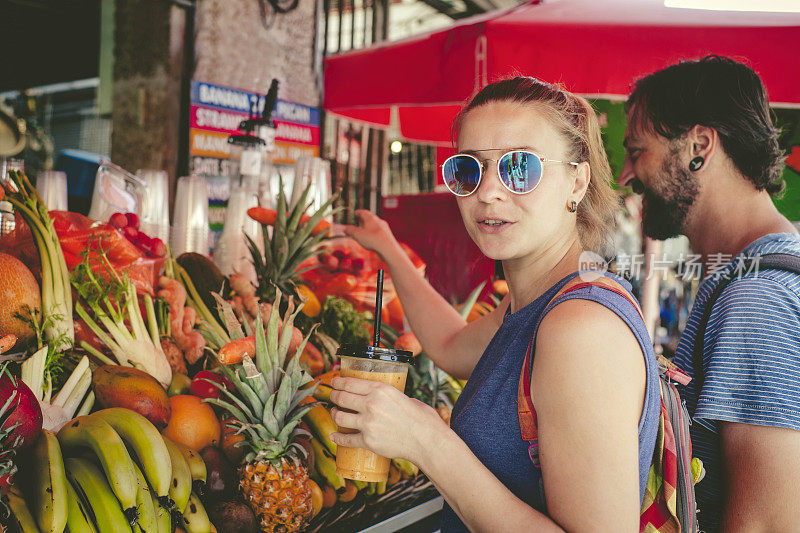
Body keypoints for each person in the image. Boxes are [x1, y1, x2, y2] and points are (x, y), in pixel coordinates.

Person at [329, 77, 661, 531]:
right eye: (469, 169)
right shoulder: (538, 304)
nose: (487, 192)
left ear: (577, 181)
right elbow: (449, 344)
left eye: (519, 168)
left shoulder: (580, 330)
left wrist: (428, 442)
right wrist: (387, 247)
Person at [618, 55, 800, 531]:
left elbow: (768, 524)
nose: (625, 174)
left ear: (699, 146)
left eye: (637, 151)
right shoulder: (747, 277)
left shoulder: (756, 300)